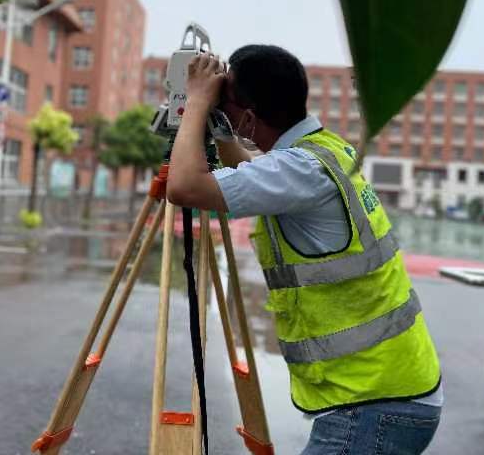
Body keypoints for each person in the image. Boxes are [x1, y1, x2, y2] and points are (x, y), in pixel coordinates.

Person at [166, 45, 443, 455]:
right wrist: (221, 125)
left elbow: (184, 186)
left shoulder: (301, 169)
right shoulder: (324, 151)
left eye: (227, 102)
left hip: (372, 403)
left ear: (249, 116)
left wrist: (197, 102)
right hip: (389, 389)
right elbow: (251, 172)